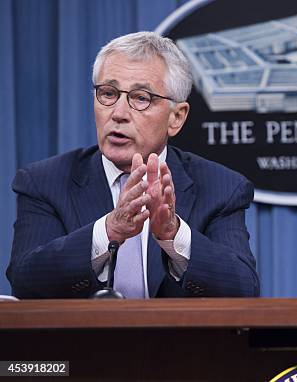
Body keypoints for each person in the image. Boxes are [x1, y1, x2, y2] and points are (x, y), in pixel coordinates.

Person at [8, 32, 259, 298]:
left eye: (141, 98)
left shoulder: (221, 188)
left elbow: (243, 290)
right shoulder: (44, 182)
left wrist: (173, 235)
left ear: (176, 117)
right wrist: (108, 231)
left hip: (179, 340)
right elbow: (26, 283)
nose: (118, 113)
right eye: (108, 93)